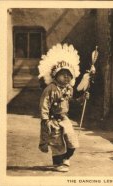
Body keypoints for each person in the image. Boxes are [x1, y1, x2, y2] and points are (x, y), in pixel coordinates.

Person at [38, 43, 89, 172]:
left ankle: (66, 158)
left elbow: (72, 101)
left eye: (69, 75)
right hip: (53, 120)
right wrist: (45, 120)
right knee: (57, 144)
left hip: (64, 119)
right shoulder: (50, 89)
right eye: (63, 74)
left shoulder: (69, 89)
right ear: (55, 75)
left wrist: (82, 98)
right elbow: (44, 104)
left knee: (73, 142)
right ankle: (59, 163)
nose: (66, 77)